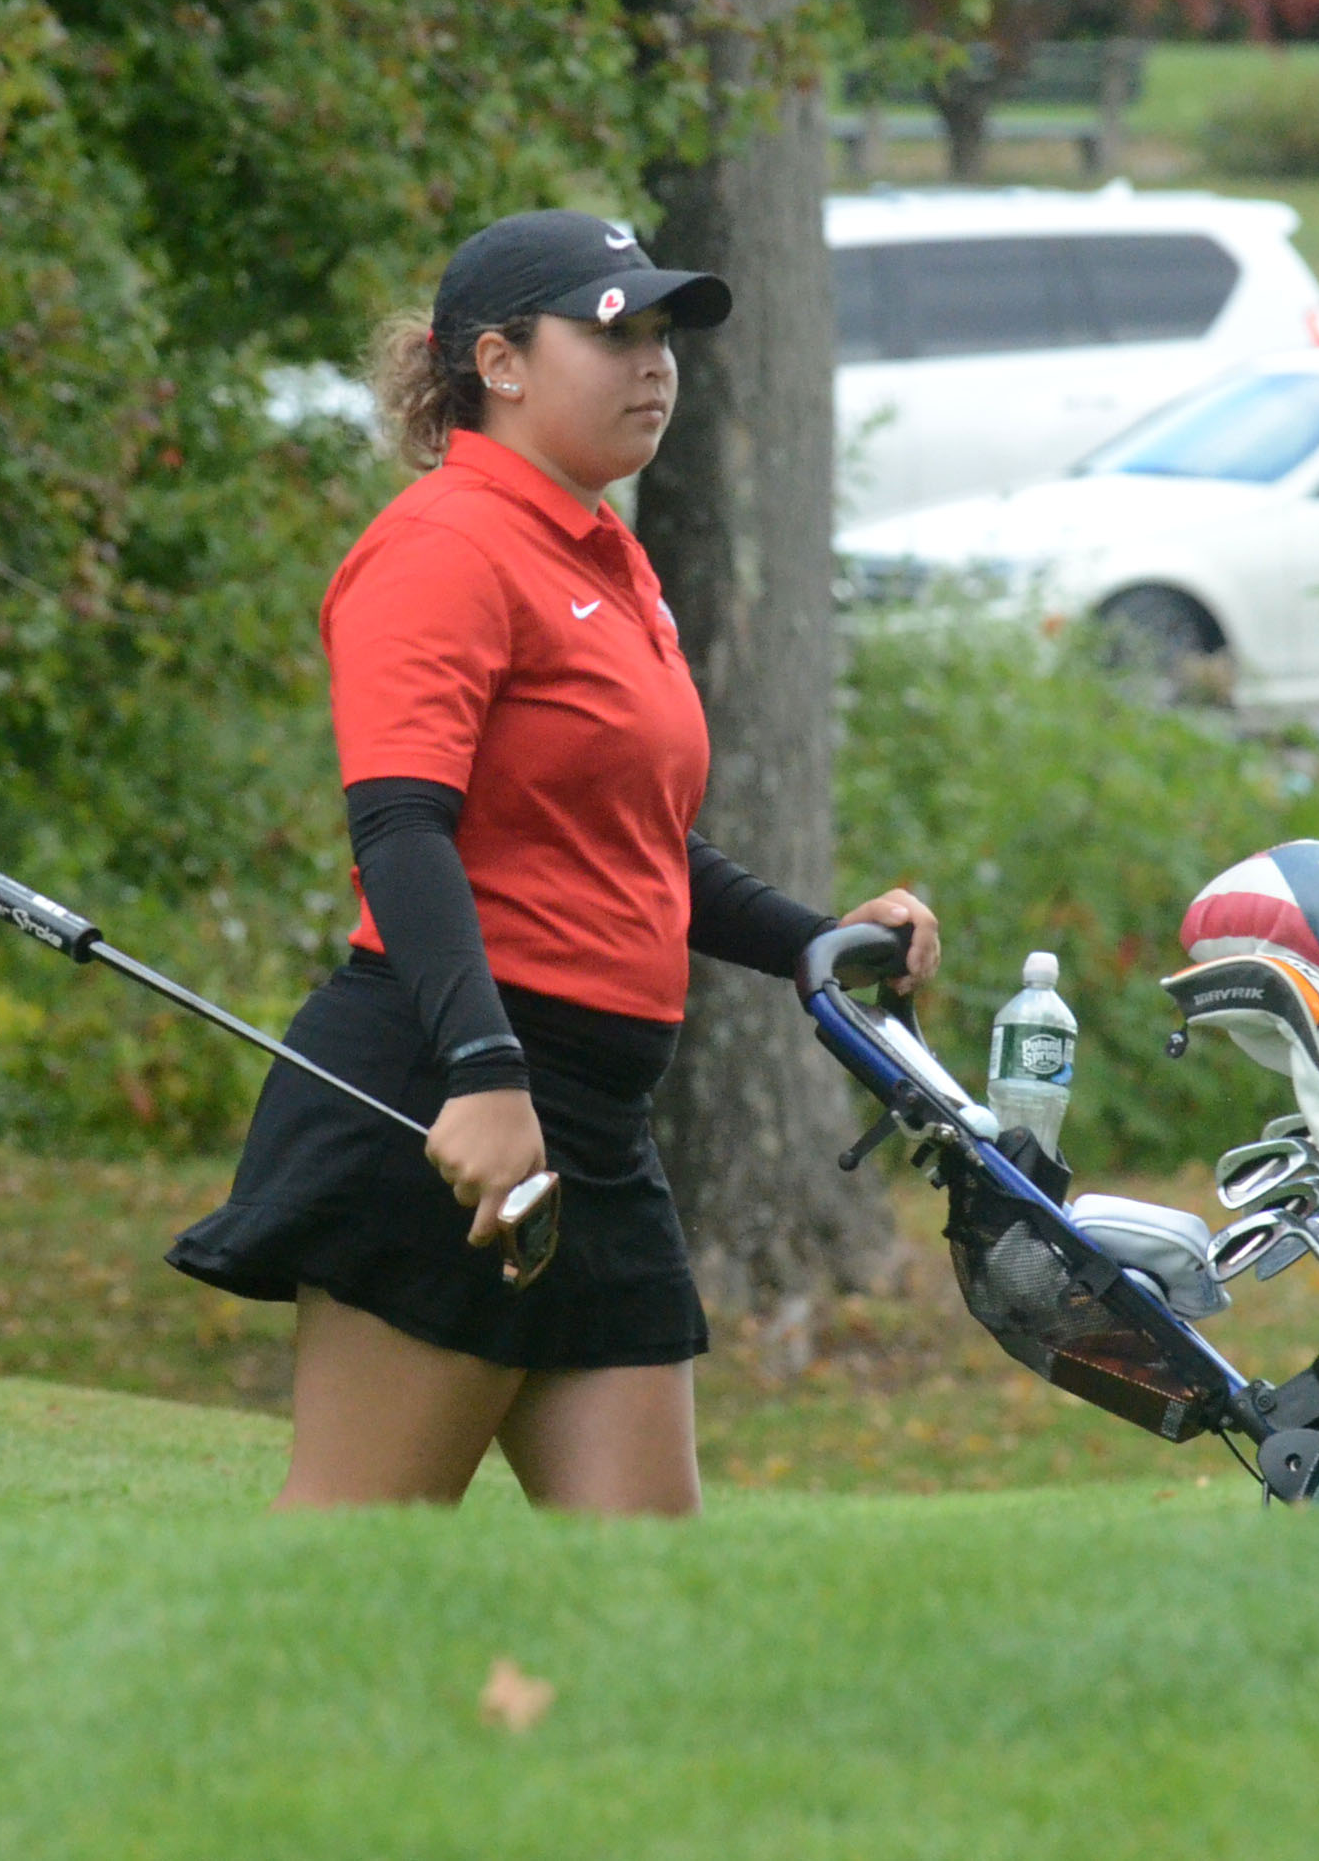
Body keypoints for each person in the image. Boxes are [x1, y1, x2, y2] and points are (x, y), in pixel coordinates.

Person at [166, 210, 939, 1517]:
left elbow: (637, 850)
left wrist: (806, 939)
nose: (654, 362)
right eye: (613, 330)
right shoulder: (444, 544)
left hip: (591, 1119)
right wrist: (481, 1073)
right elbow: (400, 827)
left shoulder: (604, 555)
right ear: (501, 362)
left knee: (644, 1602)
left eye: (663, 335)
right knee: (349, 1563)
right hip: (453, 1097)